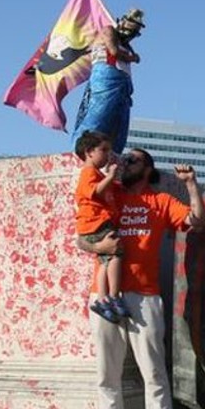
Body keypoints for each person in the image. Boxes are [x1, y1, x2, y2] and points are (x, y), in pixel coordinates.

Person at [78, 148, 205, 409]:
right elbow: (82, 237)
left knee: (153, 369)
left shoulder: (160, 201)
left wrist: (191, 185)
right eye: (124, 159)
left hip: (145, 296)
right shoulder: (110, 195)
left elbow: (197, 220)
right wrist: (100, 245)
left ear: (147, 168)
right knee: (106, 371)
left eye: (132, 159)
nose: (124, 163)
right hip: (105, 294)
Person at [70, 9, 146, 154]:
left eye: (133, 33)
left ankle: (113, 153)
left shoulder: (127, 45)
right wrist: (132, 58)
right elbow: (113, 51)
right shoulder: (108, 31)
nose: (129, 36)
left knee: (119, 123)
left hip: (124, 84)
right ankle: (83, 149)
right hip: (106, 78)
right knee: (98, 115)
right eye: (129, 30)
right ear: (122, 24)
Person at [74, 130, 128, 323]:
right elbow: (95, 191)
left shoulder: (95, 173)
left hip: (95, 224)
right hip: (95, 223)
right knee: (115, 254)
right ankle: (113, 295)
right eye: (103, 150)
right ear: (89, 152)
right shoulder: (89, 172)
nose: (107, 155)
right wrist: (111, 175)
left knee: (105, 261)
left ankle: (103, 298)